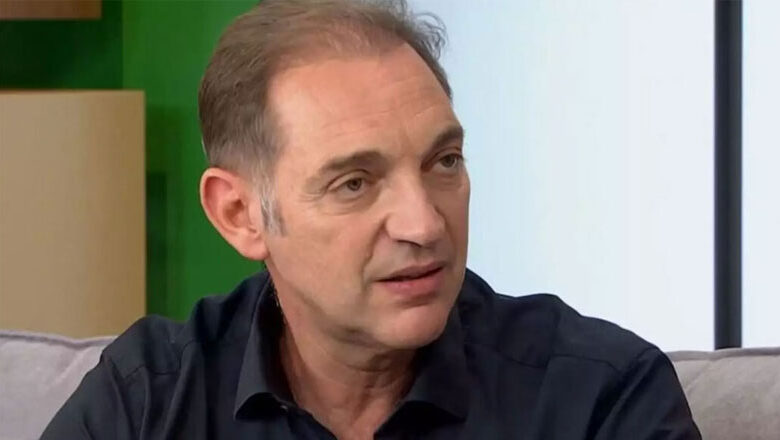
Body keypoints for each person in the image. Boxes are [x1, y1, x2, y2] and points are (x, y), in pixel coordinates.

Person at [42, 1, 701, 438]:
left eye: (444, 161)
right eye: (354, 182)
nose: (425, 224)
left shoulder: (600, 400)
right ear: (240, 215)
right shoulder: (148, 402)